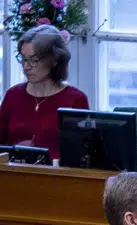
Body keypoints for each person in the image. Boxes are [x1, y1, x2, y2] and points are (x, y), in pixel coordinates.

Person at [0, 24, 89, 159]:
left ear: (54, 60)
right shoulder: (13, 95)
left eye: (34, 60)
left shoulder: (75, 100)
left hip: (56, 177)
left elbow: (81, 156)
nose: (26, 66)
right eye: (23, 58)